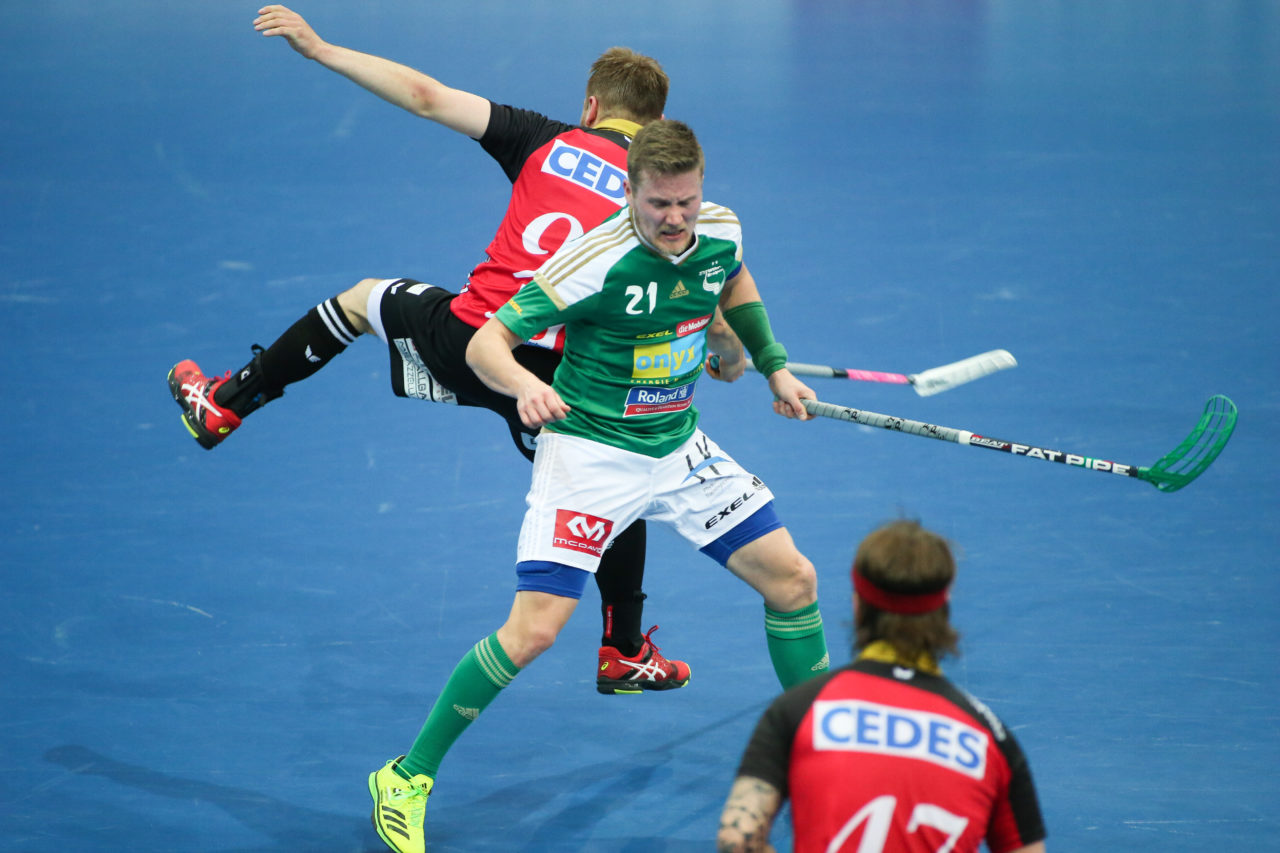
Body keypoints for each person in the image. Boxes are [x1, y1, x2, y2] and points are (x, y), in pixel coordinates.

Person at [166, 5, 691, 693]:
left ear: (591, 107)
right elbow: (676, 308)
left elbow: (426, 96)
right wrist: (711, 357)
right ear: (654, 128)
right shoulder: (664, 201)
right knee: (616, 473)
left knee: (359, 301)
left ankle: (227, 403)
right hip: (567, 379)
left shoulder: (542, 138)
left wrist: (322, 49)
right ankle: (623, 648)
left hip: (475, 342)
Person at [364, 119, 831, 853]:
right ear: (629, 192)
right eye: (659, 206)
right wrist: (523, 387)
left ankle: (815, 752)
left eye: (686, 202)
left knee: (793, 580)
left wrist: (765, 359)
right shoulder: (591, 259)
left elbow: (731, 277)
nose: (675, 220)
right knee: (536, 631)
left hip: (678, 445)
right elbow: (488, 341)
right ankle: (405, 773)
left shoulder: (719, 229)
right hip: (591, 452)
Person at [717, 519, 1047, 853]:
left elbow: (736, 841)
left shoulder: (796, 712)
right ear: (944, 610)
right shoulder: (990, 736)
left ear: (858, 605)